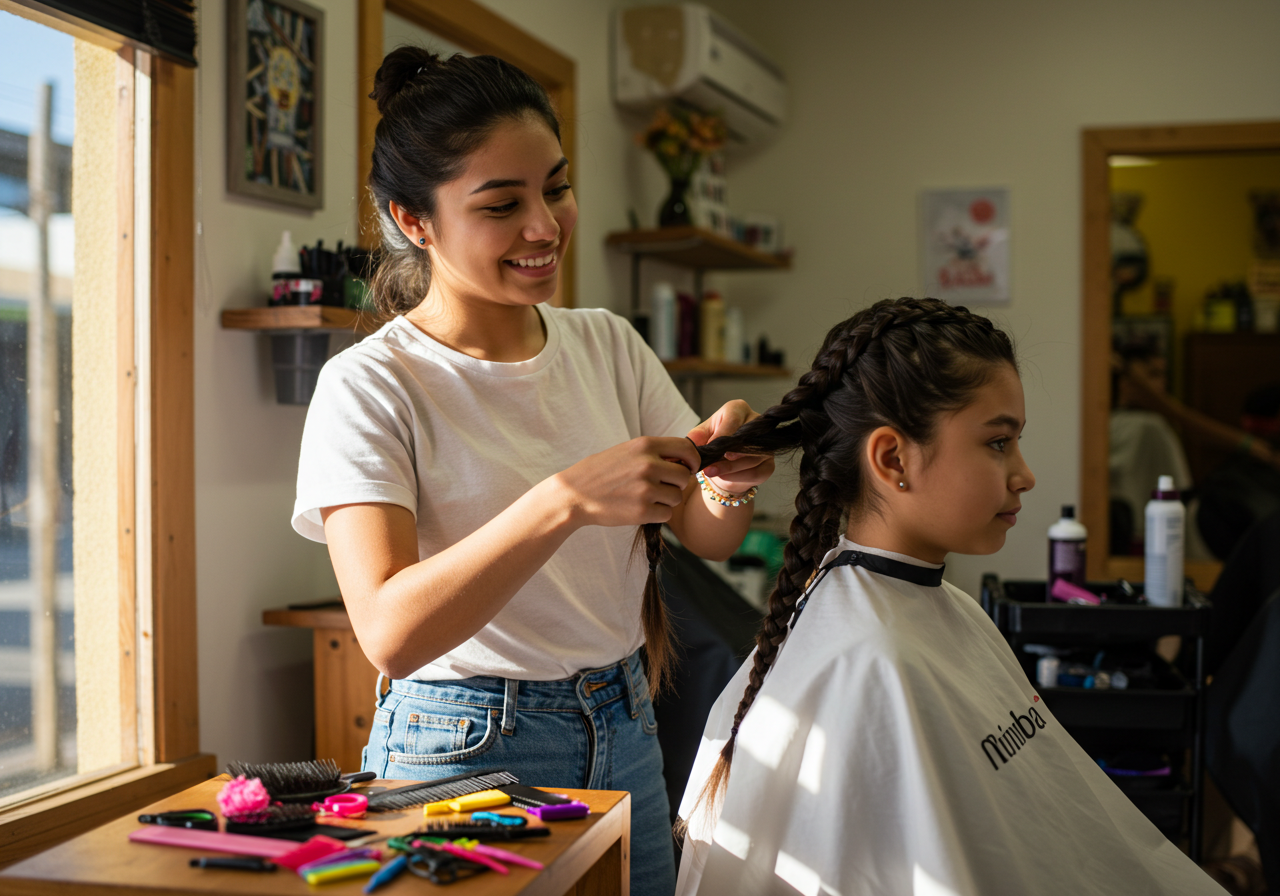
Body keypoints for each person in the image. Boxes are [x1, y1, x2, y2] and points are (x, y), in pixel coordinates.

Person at [291, 47, 773, 896]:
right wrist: (563, 502)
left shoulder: (607, 344)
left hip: (625, 722)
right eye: (501, 204)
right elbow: (390, 632)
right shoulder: (372, 385)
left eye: (555, 186)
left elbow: (704, 528)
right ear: (415, 219)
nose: (545, 226)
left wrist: (727, 473)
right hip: (461, 749)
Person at [674, 297, 1227, 895]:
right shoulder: (868, 658)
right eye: (997, 443)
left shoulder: (942, 609)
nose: (1025, 474)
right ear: (893, 459)